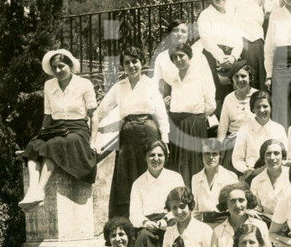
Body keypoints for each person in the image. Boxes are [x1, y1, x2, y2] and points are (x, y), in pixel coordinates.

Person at [90, 46, 169, 220]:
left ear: (142, 62)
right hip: (127, 137)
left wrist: (165, 140)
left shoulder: (150, 84)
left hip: (149, 134)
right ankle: (127, 223)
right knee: (126, 179)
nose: (132, 65)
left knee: (149, 174)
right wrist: (92, 135)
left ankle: (152, 216)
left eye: (135, 61)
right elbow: (100, 110)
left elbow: (161, 114)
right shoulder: (119, 87)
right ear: (123, 66)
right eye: (127, 63)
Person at [20, 49, 98, 207]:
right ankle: (32, 190)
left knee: (54, 145)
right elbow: (48, 115)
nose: (57, 70)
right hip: (56, 128)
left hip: (78, 129)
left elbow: (94, 114)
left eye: (61, 66)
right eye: (54, 67)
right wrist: (42, 133)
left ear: (70, 66)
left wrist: (93, 141)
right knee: (34, 145)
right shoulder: (49, 85)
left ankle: (40, 192)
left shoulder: (84, 84)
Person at [164, 41, 217, 185]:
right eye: (175, 57)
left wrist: (197, 117)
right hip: (176, 124)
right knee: (178, 164)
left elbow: (211, 104)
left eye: (181, 56)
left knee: (195, 163)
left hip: (195, 124)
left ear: (189, 56)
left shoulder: (200, 76)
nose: (179, 60)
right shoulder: (172, 79)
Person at [129, 140, 186, 247]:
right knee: (143, 237)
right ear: (145, 157)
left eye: (160, 155)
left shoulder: (175, 178)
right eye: (151, 155)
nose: (156, 158)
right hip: (148, 226)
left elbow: (182, 205)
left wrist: (167, 219)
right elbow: (134, 213)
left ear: (165, 157)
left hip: (171, 221)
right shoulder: (138, 183)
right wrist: (145, 222)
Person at [197, 0, 245, 110]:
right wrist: (221, 58)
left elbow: (238, 39)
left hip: (232, 59)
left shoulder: (231, 14)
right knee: (218, 96)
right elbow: (206, 39)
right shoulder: (205, 15)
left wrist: (233, 57)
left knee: (235, 95)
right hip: (213, 59)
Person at [207, 184, 274, 247]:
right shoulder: (218, 231)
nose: (238, 205)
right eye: (232, 201)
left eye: (241, 200)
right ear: (226, 204)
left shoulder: (260, 225)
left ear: (247, 202)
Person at [226, 0, 267, 89]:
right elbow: (228, 22)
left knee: (260, 82)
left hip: (258, 45)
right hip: (245, 45)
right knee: (248, 82)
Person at [231, 90, 286, 179]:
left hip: (275, 175)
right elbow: (237, 159)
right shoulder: (244, 129)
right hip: (252, 175)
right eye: (258, 107)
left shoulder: (279, 129)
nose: (262, 110)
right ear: (253, 109)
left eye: (265, 106)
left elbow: (285, 156)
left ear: (271, 107)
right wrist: (247, 170)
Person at [216, 63, 258, 167]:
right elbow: (223, 126)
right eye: (236, 77)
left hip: (254, 139)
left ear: (250, 77)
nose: (240, 80)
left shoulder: (257, 95)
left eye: (243, 76)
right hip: (233, 142)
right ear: (232, 80)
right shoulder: (228, 98)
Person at [191, 139, 240, 219]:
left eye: (214, 154)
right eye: (207, 154)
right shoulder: (195, 178)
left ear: (220, 155)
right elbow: (195, 210)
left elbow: (235, 204)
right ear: (201, 155)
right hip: (204, 223)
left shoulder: (230, 176)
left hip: (225, 221)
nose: (211, 157)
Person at [249, 139, 291, 222]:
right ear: (263, 157)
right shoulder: (256, 181)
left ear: (283, 156)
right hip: (268, 221)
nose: (272, 158)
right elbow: (255, 209)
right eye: (268, 154)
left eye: (276, 153)